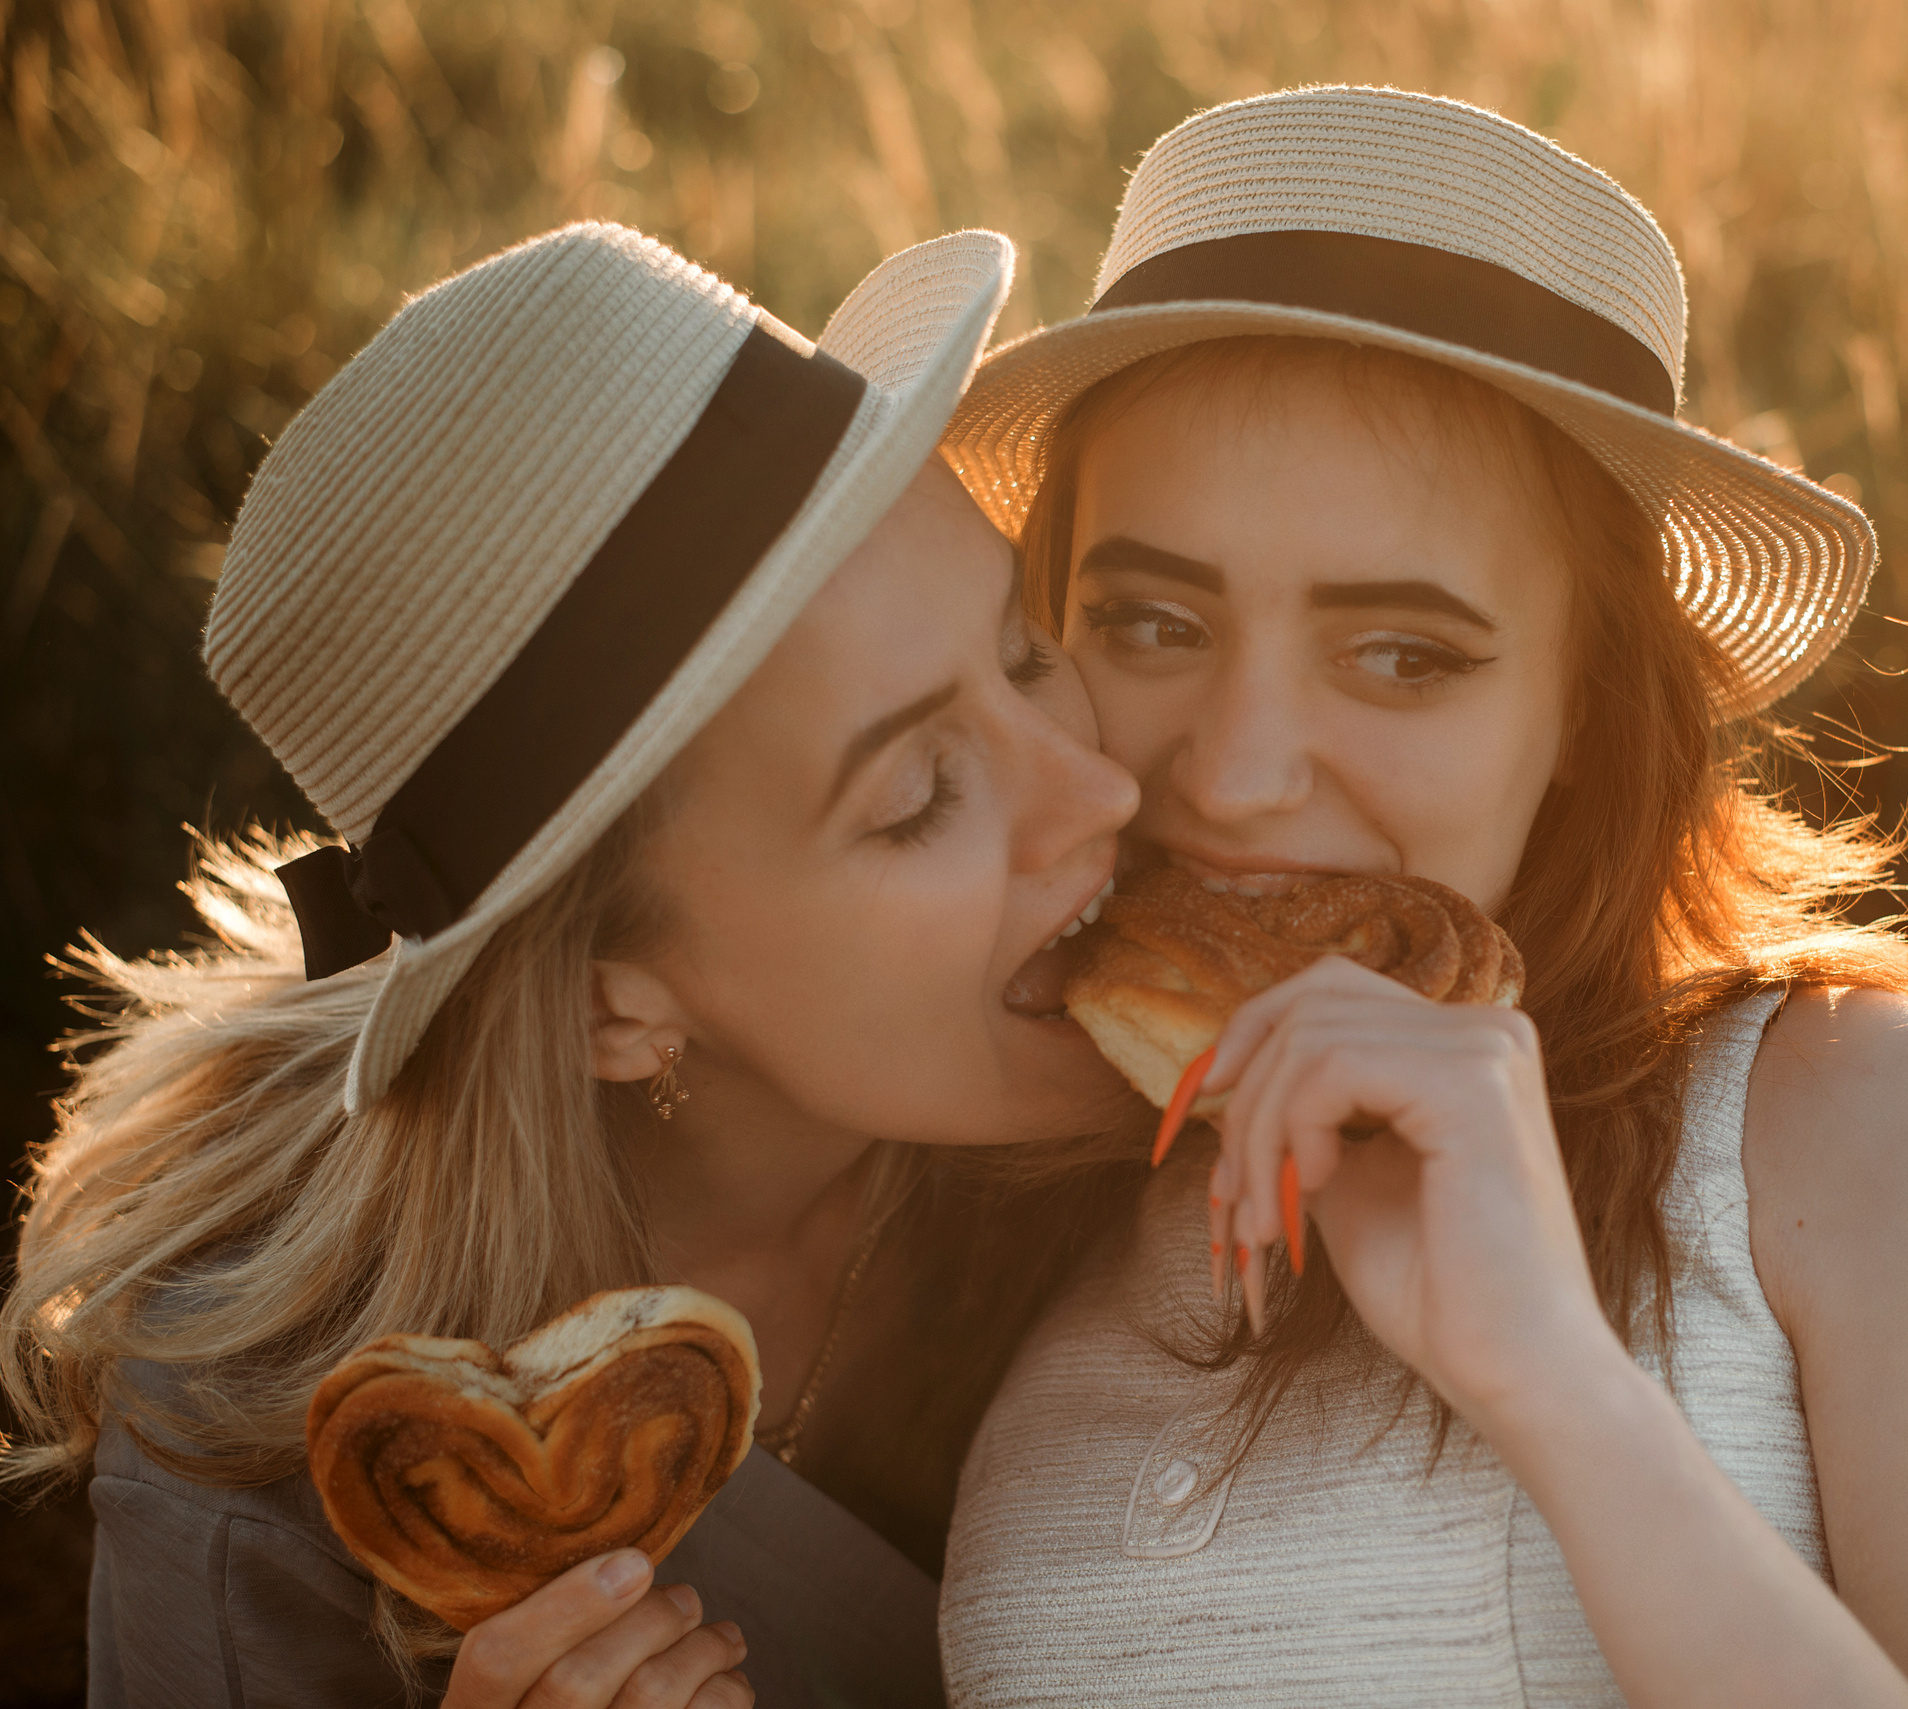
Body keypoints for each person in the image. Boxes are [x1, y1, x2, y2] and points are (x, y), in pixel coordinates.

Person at [934, 87, 1908, 1707]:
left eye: (1403, 654)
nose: (1237, 772)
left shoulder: (1844, 1113)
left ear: (1588, 703)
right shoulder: (1000, 1170)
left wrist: (1564, 1396)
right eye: (1155, 622)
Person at [0, 222, 1149, 1708]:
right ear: (614, 1001)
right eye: (918, 796)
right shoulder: (274, 1481)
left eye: (1026, 648)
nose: (1102, 793)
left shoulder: (1162, 1136)